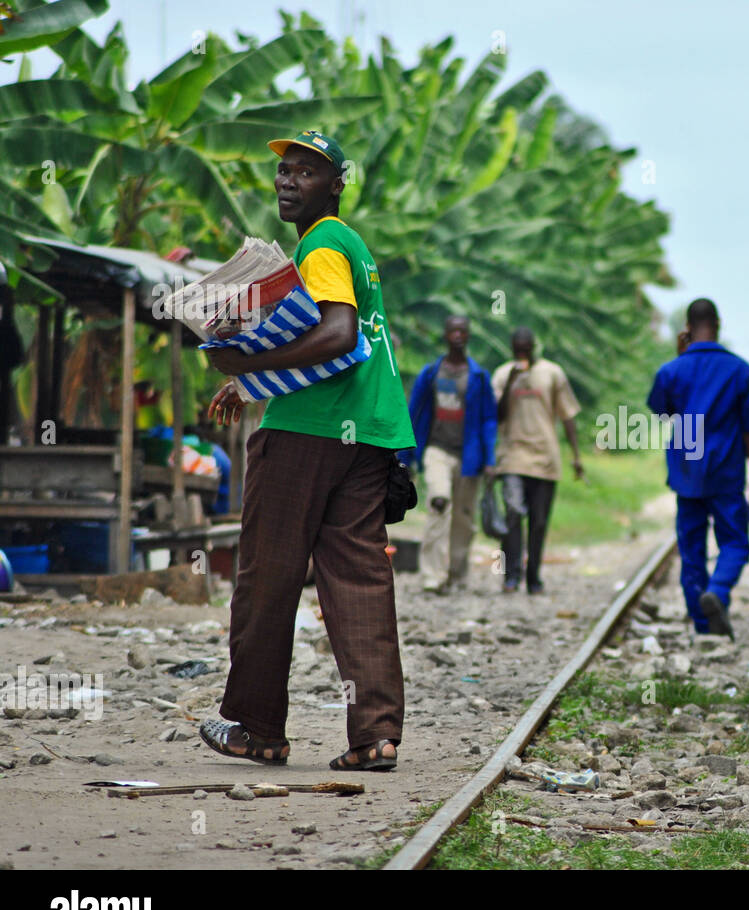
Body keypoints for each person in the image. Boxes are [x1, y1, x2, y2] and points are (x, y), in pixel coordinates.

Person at [201, 130, 415, 772]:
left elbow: (337, 333)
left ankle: (258, 729)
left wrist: (245, 358)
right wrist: (252, 379)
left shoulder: (322, 243)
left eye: (307, 172)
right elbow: (343, 339)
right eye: (284, 171)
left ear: (336, 185)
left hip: (307, 433)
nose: (289, 181)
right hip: (368, 432)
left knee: (267, 575)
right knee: (359, 580)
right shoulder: (354, 248)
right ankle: (375, 735)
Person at [648, 298, 749, 637]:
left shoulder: (671, 371)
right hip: (726, 473)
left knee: (691, 550)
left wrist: (679, 356)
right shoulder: (739, 369)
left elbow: (662, 413)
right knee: (736, 544)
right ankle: (717, 593)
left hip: (686, 473)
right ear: (718, 324)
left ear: (687, 327)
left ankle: (704, 626)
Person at [402, 316, 497, 594]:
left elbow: (489, 420)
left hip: (469, 458)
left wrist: (489, 459)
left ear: (468, 335)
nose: (457, 335)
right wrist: (406, 457)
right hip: (436, 451)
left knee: (464, 521)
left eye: (462, 331)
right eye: (453, 330)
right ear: (444, 335)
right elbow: (414, 413)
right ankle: (432, 576)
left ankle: (457, 575)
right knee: (439, 502)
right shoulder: (431, 373)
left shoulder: (479, 377)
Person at [491, 327, 583, 595]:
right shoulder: (501, 374)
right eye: (517, 350)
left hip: (545, 459)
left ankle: (534, 577)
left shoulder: (552, 373)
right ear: (511, 349)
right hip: (512, 458)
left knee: (539, 521)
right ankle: (511, 576)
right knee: (512, 513)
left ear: (533, 348)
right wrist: (511, 382)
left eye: (526, 350)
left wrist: (576, 456)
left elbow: (567, 415)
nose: (522, 354)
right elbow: (496, 415)